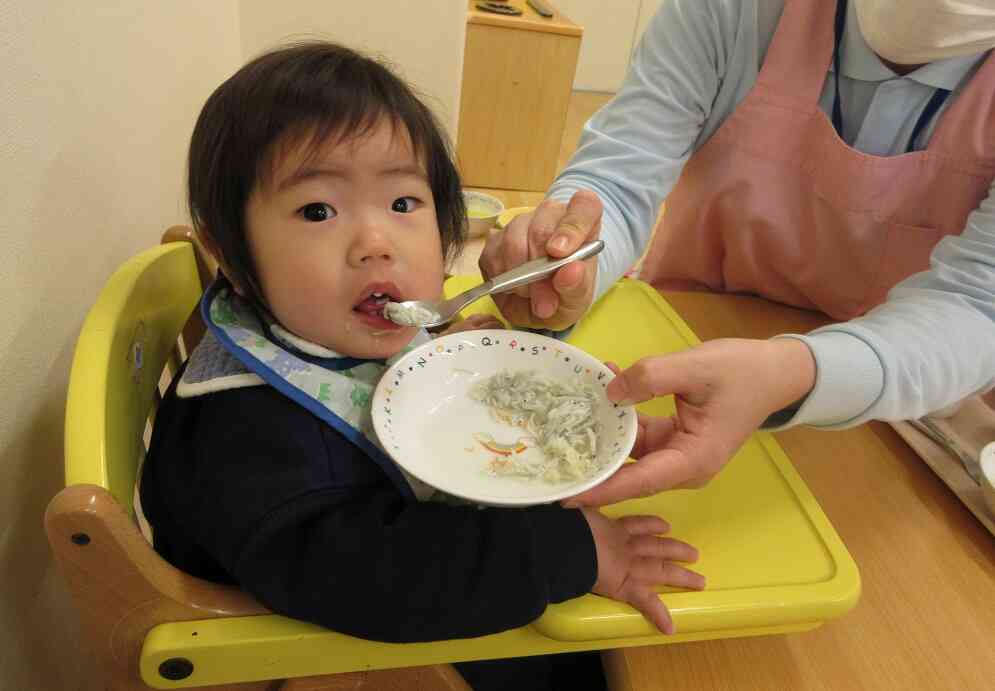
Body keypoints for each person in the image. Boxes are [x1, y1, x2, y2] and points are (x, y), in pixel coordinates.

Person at [137, 42, 705, 691]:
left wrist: (452, 350)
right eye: (317, 210)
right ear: (229, 255)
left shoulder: (314, 328)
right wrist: (571, 550)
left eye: (403, 203)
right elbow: (371, 578)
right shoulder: (248, 431)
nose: (376, 242)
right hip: (330, 649)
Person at [479, 0, 995, 507]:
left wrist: (801, 371)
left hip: (893, 398)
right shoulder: (732, 11)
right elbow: (619, 176)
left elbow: (978, 304)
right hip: (678, 352)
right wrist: (568, 258)